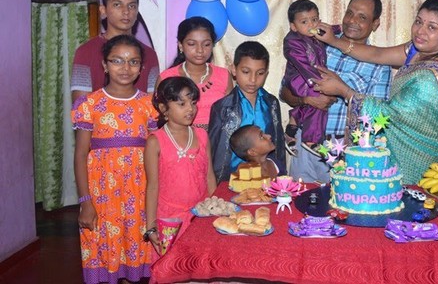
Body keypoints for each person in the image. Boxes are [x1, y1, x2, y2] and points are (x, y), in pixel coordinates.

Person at [313, 0, 438, 184]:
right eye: (418, 22)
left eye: (432, 27)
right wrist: (333, 41)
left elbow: (391, 117)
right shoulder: (417, 52)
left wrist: (344, 91)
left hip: (416, 168)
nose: (420, 31)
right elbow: (376, 54)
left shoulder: (429, 78)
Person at [71, 35, 157, 283]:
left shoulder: (149, 105)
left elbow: (155, 154)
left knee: (133, 245)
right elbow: (80, 155)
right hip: (102, 194)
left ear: (141, 67)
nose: (125, 67)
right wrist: (85, 201)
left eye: (133, 61)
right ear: (105, 65)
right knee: (104, 245)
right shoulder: (90, 104)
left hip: (138, 193)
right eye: (117, 60)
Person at [281, 0, 392, 183]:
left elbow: (377, 117)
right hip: (304, 145)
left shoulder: (380, 65)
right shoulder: (317, 41)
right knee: (299, 198)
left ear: (375, 24)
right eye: (350, 13)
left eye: (362, 17)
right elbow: (285, 92)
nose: (352, 20)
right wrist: (306, 100)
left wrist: (342, 89)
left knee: (339, 202)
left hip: (342, 152)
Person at [144, 77, 217, 260]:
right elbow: (152, 186)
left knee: (199, 264)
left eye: (193, 102)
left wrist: (216, 209)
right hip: (170, 220)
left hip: (201, 215)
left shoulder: (202, 135)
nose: (190, 108)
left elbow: (209, 176)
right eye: (182, 104)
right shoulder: (155, 142)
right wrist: (151, 226)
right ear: (163, 108)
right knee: (172, 265)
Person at [208, 41, 286, 183]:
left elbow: (278, 144)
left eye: (260, 73)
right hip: (233, 181)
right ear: (234, 70)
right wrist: (219, 187)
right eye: (246, 72)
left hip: (268, 181)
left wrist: (281, 179)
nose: (253, 79)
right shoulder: (222, 108)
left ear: (266, 74)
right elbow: (216, 153)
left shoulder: (272, 103)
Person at [71, 0, 159, 103]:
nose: (126, 11)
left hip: (141, 115)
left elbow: (152, 104)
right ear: (103, 10)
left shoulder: (149, 54)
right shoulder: (85, 52)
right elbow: (80, 104)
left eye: (131, 6)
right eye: (117, 5)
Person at [158, 16, 233, 130]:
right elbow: (160, 117)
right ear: (180, 45)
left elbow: (230, 116)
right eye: (192, 44)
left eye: (206, 44)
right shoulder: (166, 78)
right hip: (179, 139)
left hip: (217, 138)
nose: (200, 50)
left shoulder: (224, 76)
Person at [282, 0, 331, 156]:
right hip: (300, 79)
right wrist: (319, 84)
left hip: (308, 78)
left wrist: (340, 28)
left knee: (311, 104)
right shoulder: (292, 41)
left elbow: (330, 30)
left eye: (314, 19)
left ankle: (291, 128)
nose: (311, 25)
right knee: (320, 101)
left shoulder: (316, 36)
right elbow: (303, 65)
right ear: (293, 26)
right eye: (304, 22)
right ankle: (311, 139)